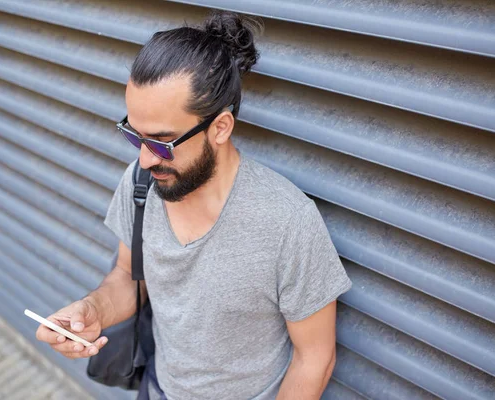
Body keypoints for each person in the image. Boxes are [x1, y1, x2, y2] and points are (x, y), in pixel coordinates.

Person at [36, 10, 352, 400]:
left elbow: (316, 358)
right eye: (135, 136)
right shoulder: (140, 182)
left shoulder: (286, 221)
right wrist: (92, 311)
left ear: (220, 127)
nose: (146, 159)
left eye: (161, 142)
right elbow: (128, 274)